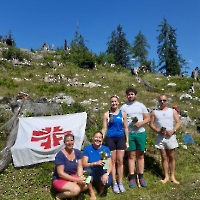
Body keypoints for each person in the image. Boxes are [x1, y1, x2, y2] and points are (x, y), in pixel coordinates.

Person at [120, 87, 150, 188]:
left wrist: (141, 123)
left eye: (132, 94)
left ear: (135, 95)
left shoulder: (141, 106)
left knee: (140, 155)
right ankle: (132, 177)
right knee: (131, 155)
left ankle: (141, 176)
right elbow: (120, 119)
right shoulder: (124, 107)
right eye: (129, 94)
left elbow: (148, 118)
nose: (130, 96)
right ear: (127, 96)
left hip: (140, 133)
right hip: (130, 134)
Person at [149, 94, 181, 184]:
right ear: (158, 102)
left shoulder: (172, 111)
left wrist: (173, 130)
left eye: (164, 100)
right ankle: (166, 176)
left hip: (171, 136)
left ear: (167, 101)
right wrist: (158, 131)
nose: (162, 102)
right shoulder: (155, 112)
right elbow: (151, 124)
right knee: (163, 156)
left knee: (171, 156)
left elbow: (178, 122)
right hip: (160, 136)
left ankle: (172, 176)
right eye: (160, 100)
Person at [101, 95, 129, 193]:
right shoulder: (106, 114)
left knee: (120, 161)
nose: (114, 103)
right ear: (110, 103)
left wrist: (127, 140)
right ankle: (114, 182)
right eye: (112, 101)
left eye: (115, 101)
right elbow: (104, 128)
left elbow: (126, 128)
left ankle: (120, 182)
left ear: (118, 102)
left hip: (120, 138)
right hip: (110, 138)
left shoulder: (123, 114)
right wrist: (101, 138)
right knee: (112, 161)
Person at [52, 134, 87, 200]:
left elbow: (80, 167)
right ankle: (59, 196)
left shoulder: (77, 152)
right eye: (67, 141)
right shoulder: (60, 155)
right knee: (76, 190)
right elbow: (60, 174)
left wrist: (80, 177)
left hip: (73, 176)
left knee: (87, 184)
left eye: (71, 140)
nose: (70, 143)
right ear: (64, 142)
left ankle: (71, 193)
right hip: (60, 179)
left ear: (74, 141)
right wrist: (76, 180)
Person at [82, 131, 112, 200]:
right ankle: (91, 192)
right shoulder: (87, 148)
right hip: (91, 171)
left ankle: (100, 187)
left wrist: (107, 174)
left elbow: (110, 165)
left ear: (102, 139)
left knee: (107, 182)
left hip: (102, 171)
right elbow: (84, 164)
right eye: (96, 137)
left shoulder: (106, 149)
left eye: (99, 138)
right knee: (87, 176)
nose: (97, 139)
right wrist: (95, 163)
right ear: (93, 138)